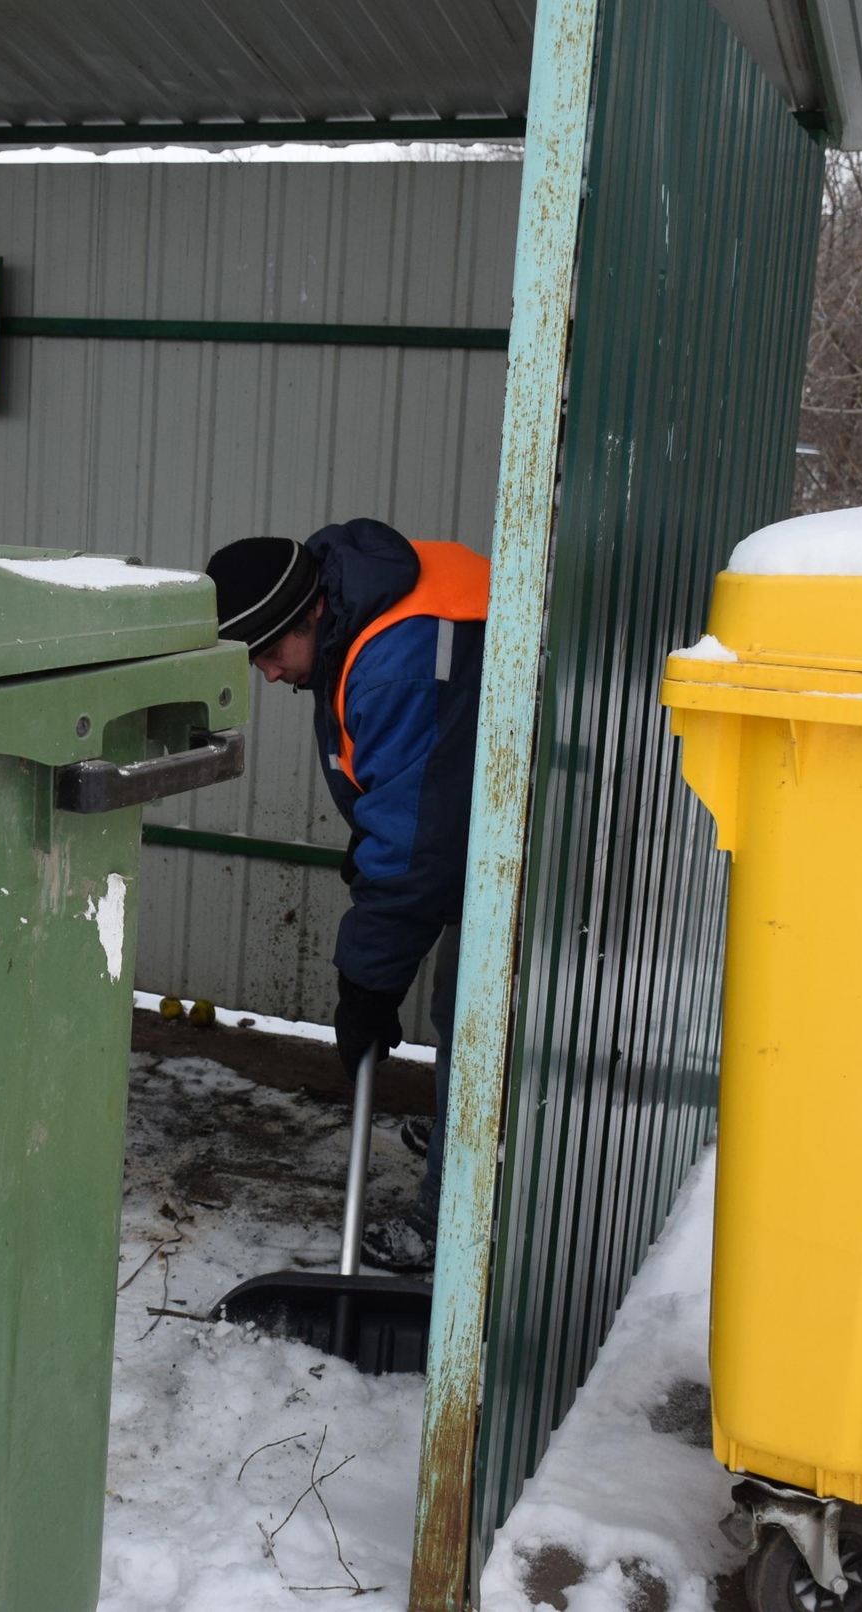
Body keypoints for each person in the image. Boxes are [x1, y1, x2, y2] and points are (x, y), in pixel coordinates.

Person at [204, 521, 487, 1272]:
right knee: (459, 1006)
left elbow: (415, 851)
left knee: (473, 1013)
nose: (267, 675)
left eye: (269, 654)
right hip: (487, 804)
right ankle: (461, 1128)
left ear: (311, 617)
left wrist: (365, 982)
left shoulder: (394, 662)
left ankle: (448, 1219)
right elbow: (397, 804)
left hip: (547, 818)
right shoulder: (352, 610)